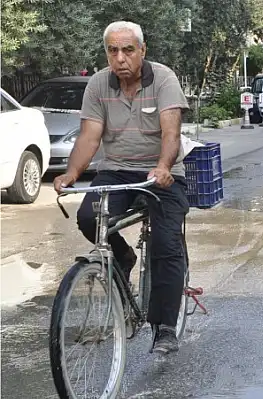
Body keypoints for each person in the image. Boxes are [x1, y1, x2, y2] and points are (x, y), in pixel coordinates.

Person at [53, 20, 190, 355]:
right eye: (113, 50)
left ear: (142, 50)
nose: (120, 57)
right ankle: (124, 255)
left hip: (162, 172)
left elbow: (171, 133)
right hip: (116, 172)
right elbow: (89, 136)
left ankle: (165, 327)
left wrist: (163, 166)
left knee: (165, 243)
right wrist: (71, 174)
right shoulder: (98, 84)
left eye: (128, 49)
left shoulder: (164, 80)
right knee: (88, 218)